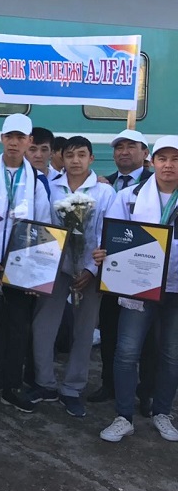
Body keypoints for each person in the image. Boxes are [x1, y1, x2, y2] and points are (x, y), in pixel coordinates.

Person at [96, 135, 178, 443]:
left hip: (176, 287)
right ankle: (123, 416)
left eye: (176, 159)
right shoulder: (129, 196)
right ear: (152, 162)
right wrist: (102, 253)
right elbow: (111, 236)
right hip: (138, 286)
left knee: (171, 353)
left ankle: (163, 412)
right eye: (163, 159)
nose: (168, 165)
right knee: (127, 351)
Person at [0, 113, 51, 414]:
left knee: (16, 329)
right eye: (9, 137)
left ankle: (10, 385)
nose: (14, 143)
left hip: (21, 268)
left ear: (29, 141)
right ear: (2, 139)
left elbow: (43, 226)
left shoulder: (38, 180)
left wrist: (34, 272)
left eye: (20, 137)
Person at [28, 137, 115, 418]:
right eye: (69, 155)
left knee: (84, 330)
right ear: (61, 158)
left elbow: (106, 233)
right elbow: (43, 226)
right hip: (55, 267)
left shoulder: (104, 192)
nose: (75, 160)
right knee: (43, 325)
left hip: (90, 271)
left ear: (91, 158)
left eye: (81, 155)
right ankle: (45, 383)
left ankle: (72, 388)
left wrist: (90, 269)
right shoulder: (50, 187)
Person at [90, 128, 155, 410]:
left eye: (131, 147)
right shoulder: (105, 184)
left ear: (145, 153)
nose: (124, 152)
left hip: (146, 274)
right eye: (119, 147)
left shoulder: (156, 184)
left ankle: (146, 390)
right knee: (109, 328)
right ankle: (110, 383)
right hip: (112, 272)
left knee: (148, 337)